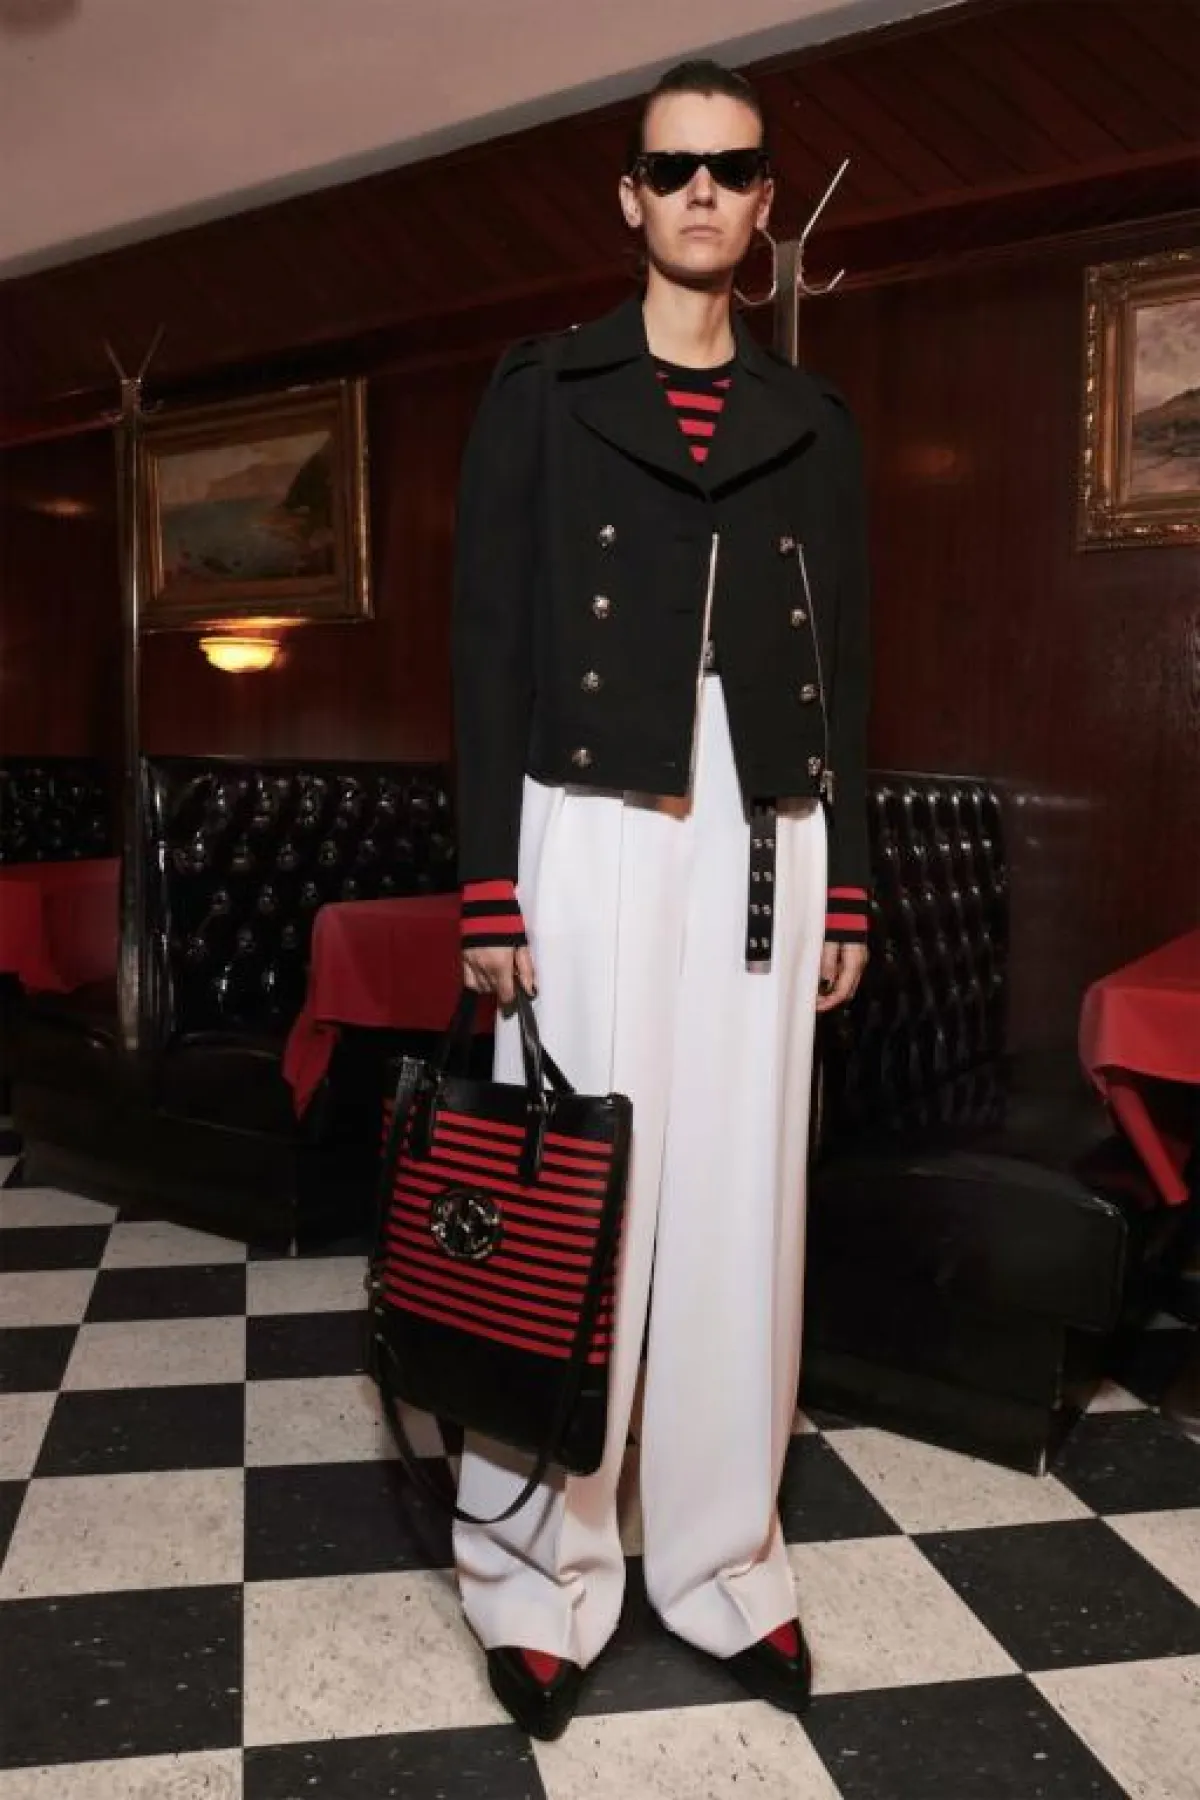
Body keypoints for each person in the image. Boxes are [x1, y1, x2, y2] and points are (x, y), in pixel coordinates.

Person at [451, 58, 872, 1740]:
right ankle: (535, 1572)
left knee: (740, 1201)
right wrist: (489, 884)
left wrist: (852, 890)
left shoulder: (814, 419)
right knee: (575, 1188)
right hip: (587, 812)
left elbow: (847, 663)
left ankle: (721, 1563)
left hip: (768, 826)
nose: (703, 192)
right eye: (673, 167)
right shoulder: (542, 390)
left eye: (733, 168)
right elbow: (488, 643)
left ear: (766, 202)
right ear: (629, 196)